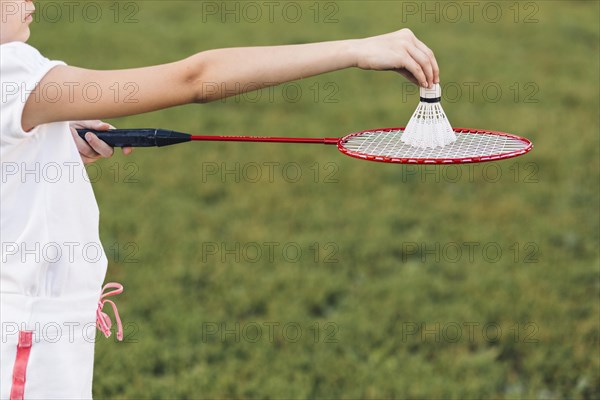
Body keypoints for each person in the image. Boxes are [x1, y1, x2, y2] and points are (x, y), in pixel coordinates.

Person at [0, 0, 440, 398]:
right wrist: (357, 50)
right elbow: (197, 77)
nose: (29, 2)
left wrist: (47, 141)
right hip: (27, 334)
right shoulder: (12, 72)